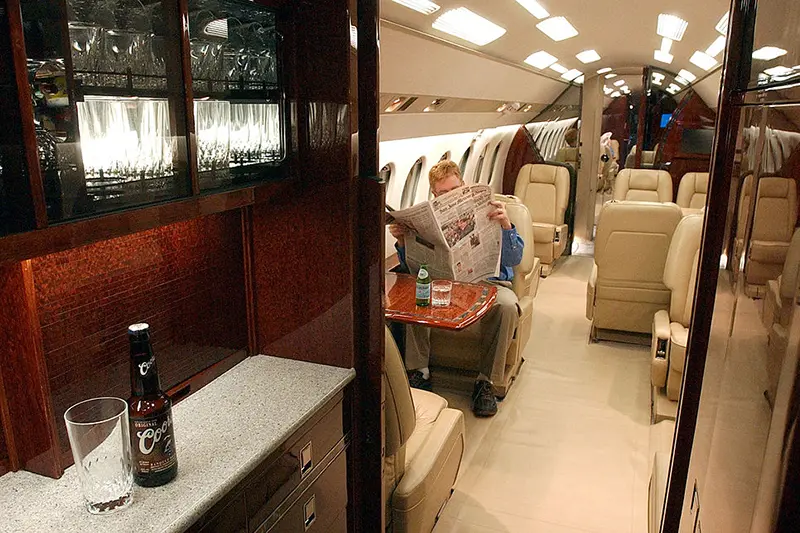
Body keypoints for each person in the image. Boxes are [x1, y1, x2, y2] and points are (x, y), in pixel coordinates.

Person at [388, 160, 524, 417]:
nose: (449, 197)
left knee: (506, 305)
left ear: (463, 186)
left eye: (454, 191)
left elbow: (514, 259)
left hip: (486, 282)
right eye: (442, 194)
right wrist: (402, 241)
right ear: (433, 196)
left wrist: (506, 225)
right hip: (445, 283)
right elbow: (414, 267)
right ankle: (420, 371)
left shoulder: (491, 210)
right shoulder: (428, 221)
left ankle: (485, 382)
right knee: (416, 295)